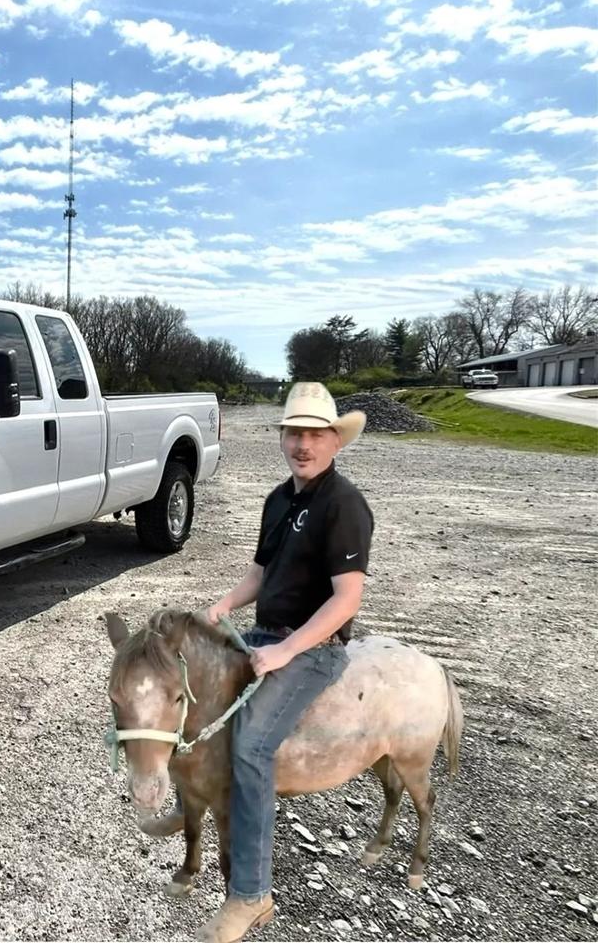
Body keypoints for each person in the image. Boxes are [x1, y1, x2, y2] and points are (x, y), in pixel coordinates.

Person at [196, 382, 373, 943]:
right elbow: (261, 576)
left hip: (314, 648)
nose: (303, 444)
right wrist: (223, 606)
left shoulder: (343, 504)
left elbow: (346, 599)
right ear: (283, 439)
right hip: (265, 633)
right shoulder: (279, 499)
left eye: (315, 434)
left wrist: (286, 650)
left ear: (334, 442)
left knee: (250, 744)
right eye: (294, 433)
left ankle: (251, 896)